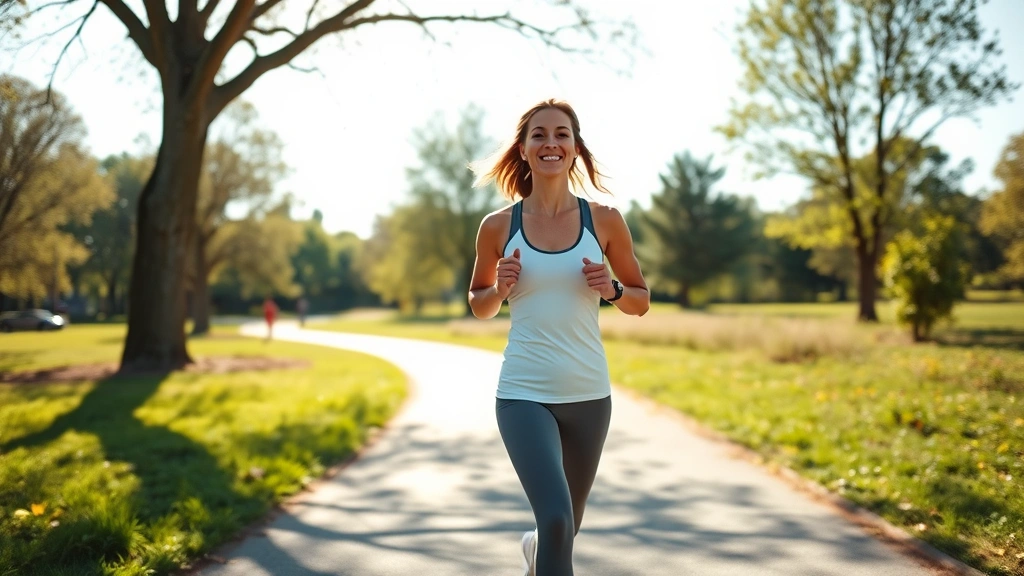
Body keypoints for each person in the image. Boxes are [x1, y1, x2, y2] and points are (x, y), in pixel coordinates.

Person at [468, 99, 650, 576]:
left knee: (567, 527)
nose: (551, 143)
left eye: (562, 135)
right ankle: (541, 543)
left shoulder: (605, 220)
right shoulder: (497, 226)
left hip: (589, 393)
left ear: (575, 149)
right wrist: (500, 289)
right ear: (524, 150)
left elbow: (640, 299)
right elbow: (479, 304)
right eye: (539, 135)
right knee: (555, 519)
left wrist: (611, 289)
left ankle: (534, 550)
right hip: (523, 393)